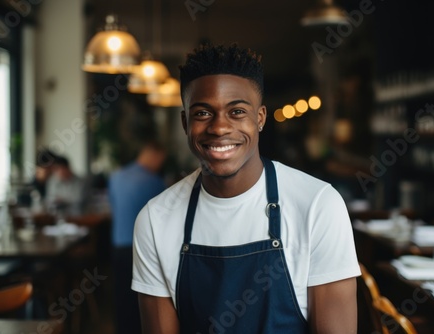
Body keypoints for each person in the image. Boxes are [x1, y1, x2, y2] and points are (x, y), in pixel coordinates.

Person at [132, 43, 361, 333]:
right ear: (184, 122)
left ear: (260, 118)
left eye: (237, 111)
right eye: (203, 113)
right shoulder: (155, 220)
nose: (219, 127)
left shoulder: (318, 205)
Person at [108, 140, 167, 334]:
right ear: (154, 155)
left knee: (121, 297)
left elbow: (114, 208)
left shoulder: (115, 177)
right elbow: (164, 217)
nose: (160, 164)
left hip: (118, 245)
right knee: (143, 298)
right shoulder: (154, 182)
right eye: (161, 160)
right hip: (143, 249)